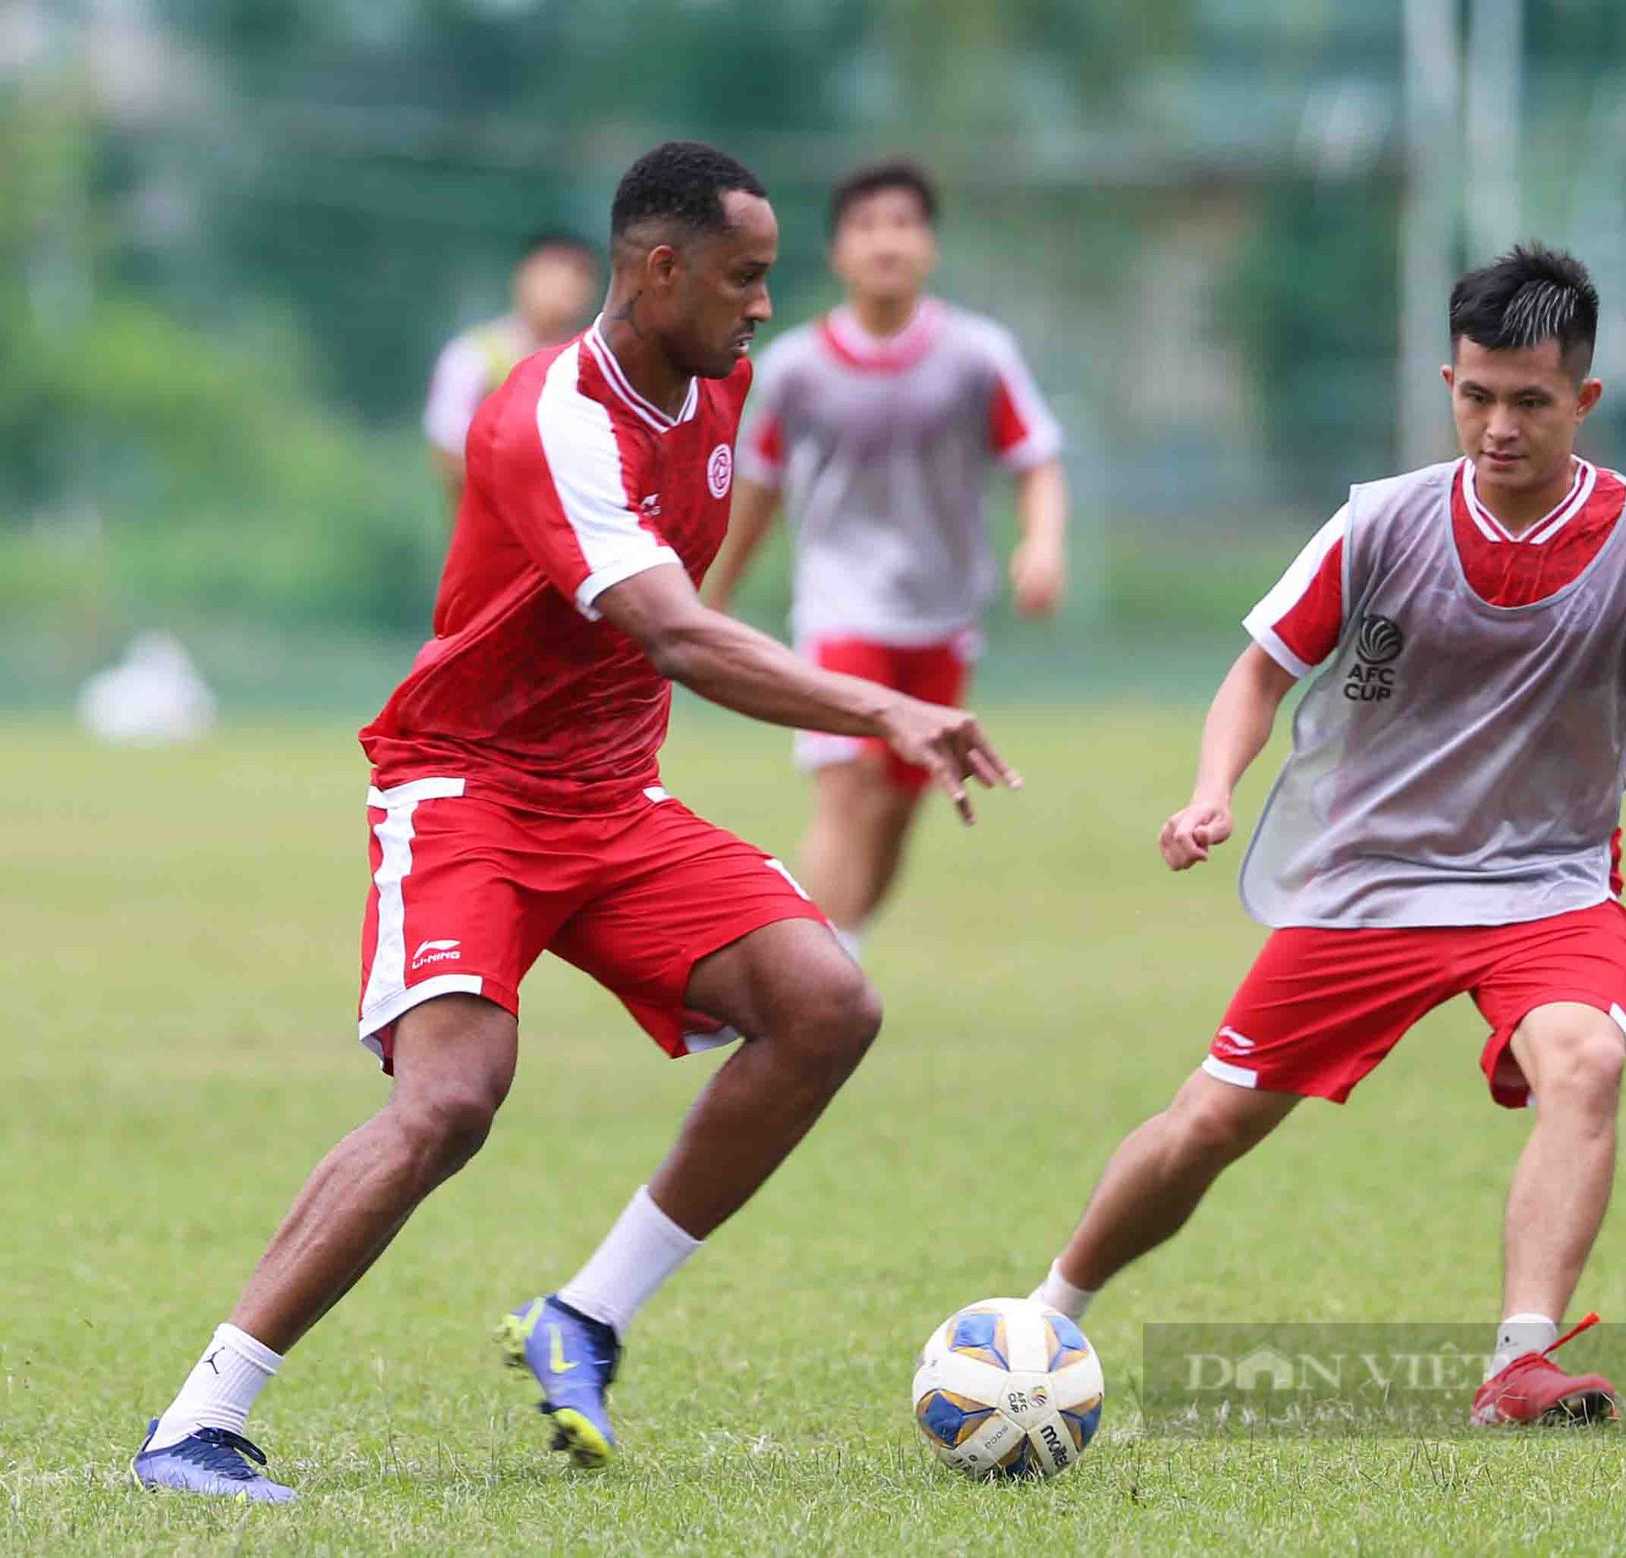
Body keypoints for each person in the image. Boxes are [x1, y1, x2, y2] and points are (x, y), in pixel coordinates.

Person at [131, 140, 1017, 1503]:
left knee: (826, 1000)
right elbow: (674, 632)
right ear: (660, 269)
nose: (765, 307)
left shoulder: (719, 392)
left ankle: (585, 1316)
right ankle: (196, 1421)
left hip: (611, 800)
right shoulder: (549, 414)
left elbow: (683, 624)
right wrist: (880, 706)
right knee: (450, 1102)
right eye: (745, 278)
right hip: (468, 788)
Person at [1027, 245, 1626, 1428]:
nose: (1496, 426)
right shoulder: (1379, 523)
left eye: (1528, 401)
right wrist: (1212, 789)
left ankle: (1519, 1360)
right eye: (1473, 395)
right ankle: (1044, 1315)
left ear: (1583, 403)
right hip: (1367, 882)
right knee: (1212, 1120)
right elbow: (1256, 672)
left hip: (1547, 888)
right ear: (1445, 381)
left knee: (1586, 1062)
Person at [703, 158, 1067, 957]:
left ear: (930, 245)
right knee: (848, 790)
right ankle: (814, 984)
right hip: (841, 610)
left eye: (903, 225)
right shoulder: (795, 368)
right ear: (838, 252)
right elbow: (757, 486)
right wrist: (712, 592)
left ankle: (841, 959)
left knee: (901, 804)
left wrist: (1042, 546)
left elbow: (1034, 456)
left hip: (941, 613)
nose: (886, 243)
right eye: (867, 228)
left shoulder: (977, 354)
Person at [423, 229, 599, 508]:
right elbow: (449, 448)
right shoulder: (474, 357)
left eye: (581, 276)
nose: (569, 286)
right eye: (554, 271)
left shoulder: (593, 366)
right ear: (524, 275)